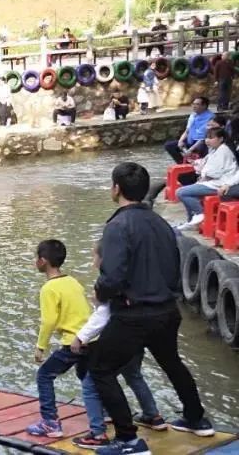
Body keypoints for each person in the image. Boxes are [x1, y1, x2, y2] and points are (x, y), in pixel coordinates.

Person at [88, 163, 214, 455]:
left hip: (133, 314)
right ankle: (197, 419)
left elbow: (113, 276)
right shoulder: (161, 223)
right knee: (172, 362)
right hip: (167, 310)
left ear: (116, 188)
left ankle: (128, 439)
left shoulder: (117, 226)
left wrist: (100, 292)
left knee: (100, 369)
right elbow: (173, 267)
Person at [69, 242, 167, 449]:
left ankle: (97, 432)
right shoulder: (135, 277)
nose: (93, 262)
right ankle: (153, 415)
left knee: (90, 382)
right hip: (138, 337)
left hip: (119, 337)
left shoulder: (108, 281)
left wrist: (81, 336)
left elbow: (104, 315)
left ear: (105, 259)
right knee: (134, 376)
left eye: (95, 257)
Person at [23, 240, 93, 439]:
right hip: (91, 338)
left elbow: (48, 320)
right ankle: (104, 411)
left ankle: (50, 422)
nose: (35, 262)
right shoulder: (73, 281)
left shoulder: (49, 288)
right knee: (86, 377)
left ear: (43, 261)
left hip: (73, 342)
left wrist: (40, 347)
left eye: (36, 258)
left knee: (44, 375)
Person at [174, 127, 239, 230]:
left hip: (219, 183)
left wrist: (203, 175)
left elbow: (215, 173)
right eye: (206, 138)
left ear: (221, 139)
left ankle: (200, 214)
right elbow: (207, 164)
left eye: (211, 138)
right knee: (186, 193)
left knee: (181, 192)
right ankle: (191, 221)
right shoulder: (214, 150)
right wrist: (198, 165)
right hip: (211, 182)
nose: (207, 140)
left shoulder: (223, 150)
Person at [164, 97, 215, 164]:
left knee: (203, 148)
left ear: (204, 106)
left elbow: (203, 138)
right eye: (193, 104)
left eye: (197, 104)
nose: (194, 106)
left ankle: (200, 165)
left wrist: (191, 150)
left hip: (201, 143)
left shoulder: (210, 117)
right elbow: (187, 130)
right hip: (190, 140)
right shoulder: (193, 115)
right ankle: (182, 163)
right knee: (169, 145)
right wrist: (180, 141)